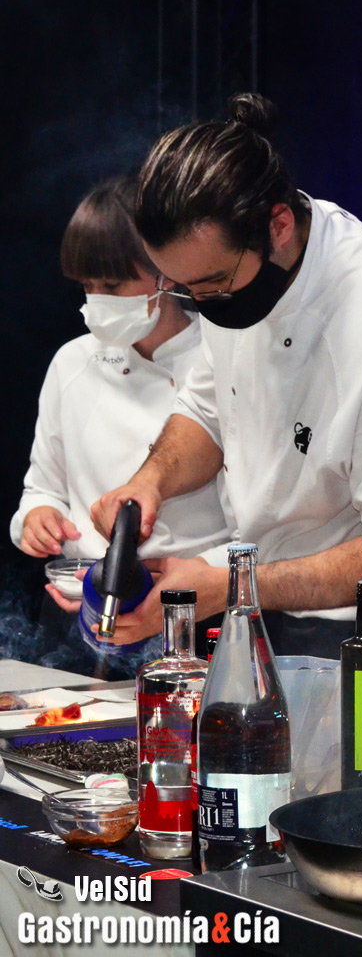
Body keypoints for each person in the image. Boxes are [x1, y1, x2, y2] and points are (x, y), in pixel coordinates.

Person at [90, 93, 362, 688]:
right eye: (183, 290)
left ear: (278, 225)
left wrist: (231, 586)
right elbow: (209, 412)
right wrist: (150, 480)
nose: (202, 305)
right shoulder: (231, 285)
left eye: (212, 283)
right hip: (280, 613)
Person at [9, 177, 228, 674]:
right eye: (86, 286)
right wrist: (37, 520)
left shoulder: (221, 358)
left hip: (188, 618)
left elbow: (257, 527)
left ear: (167, 273)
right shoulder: (72, 363)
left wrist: (190, 580)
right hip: (76, 616)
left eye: (111, 286)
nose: (96, 302)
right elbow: (40, 489)